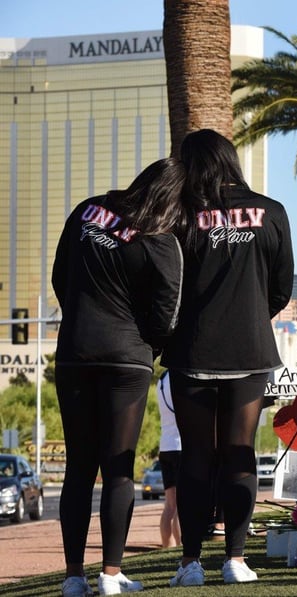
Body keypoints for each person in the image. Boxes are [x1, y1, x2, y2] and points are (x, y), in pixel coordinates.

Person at [162, 129, 294, 587]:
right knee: (241, 455)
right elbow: (281, 287)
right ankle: (236, 559)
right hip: (250, 351)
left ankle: (191, 563)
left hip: (192, 351)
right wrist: (251, 316)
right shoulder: (271, 211)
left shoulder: (179, 215)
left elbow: (165, 285)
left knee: (197, 457)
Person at [52, 158, 186, 597]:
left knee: (78, 468)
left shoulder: (88, 211)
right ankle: (112, 574)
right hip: (126, 360)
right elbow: (166, 314)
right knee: (118, 469)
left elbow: (60, 275)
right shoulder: (162, 241)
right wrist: (146, 345)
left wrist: (80, 318)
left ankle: (74, 577)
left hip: (74, 352)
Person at [156, 372, 182, 548]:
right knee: (183, 505)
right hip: (182, 446)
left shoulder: (162, 380)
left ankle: (167, 546)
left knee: (169, 506)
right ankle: (183, 547)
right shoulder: (181, 377)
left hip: (166, 446)